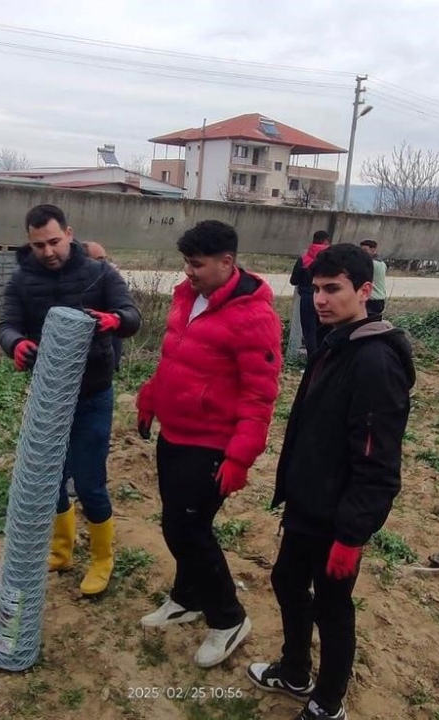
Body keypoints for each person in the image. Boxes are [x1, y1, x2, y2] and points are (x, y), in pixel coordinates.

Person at [247, 243, 414, 720]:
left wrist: (351, 535)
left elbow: (378, 463)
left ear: (364, 291)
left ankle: (328, 702)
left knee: (333, 605)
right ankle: (296, 671)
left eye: (332, 289)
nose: (320, 299)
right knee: (287, 580)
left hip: (337, 516)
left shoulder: (374, 361)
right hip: (309, 503)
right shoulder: (336, 343)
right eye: (316, 289)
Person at [135, 220, 282, 668]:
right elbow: (174, 358)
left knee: (187, 531)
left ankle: (228, 618)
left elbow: (260, 397)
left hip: (212, 445)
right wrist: (150, 398)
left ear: (227, 263)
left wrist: (239, 457)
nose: (188, 272)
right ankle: (187, 597)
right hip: (175, 434)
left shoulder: (254, 318)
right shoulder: (187, 296)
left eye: (196, 264)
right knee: (176, 522)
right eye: (185, 263)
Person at [0, 204, 141, 596]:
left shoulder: (100, 274)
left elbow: (131, 314)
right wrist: (16, 344)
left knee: (91, 481)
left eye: (54, 241)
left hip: (93, 393)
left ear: (69, 233)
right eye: (38, 244)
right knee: (50, 479)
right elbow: (7, 325)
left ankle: (101, 559)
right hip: (48, 398)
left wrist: (115, 323)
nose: (47, 251)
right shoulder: (22, 282)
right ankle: (61, 551)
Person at [289, 230, 331, 356]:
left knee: (309, 331)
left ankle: (313, 361)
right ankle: (324, 359)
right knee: (325, 329)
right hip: (326, 298)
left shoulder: (303, 259)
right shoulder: (332, 258)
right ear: (326, 241)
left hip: (307, 298)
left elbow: (293, 280)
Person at [83, 241, 123, 371]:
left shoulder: (110, 283)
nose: (106, 265)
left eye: (106, 259)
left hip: (107, 360)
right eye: (100, 260)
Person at [358, 239, 388, 317]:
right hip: (380, 299)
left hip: (372, 300)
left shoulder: (372, 264)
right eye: (361, 250)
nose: (362, 253)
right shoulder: (382, 263)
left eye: (365, 250)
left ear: (373, 249)